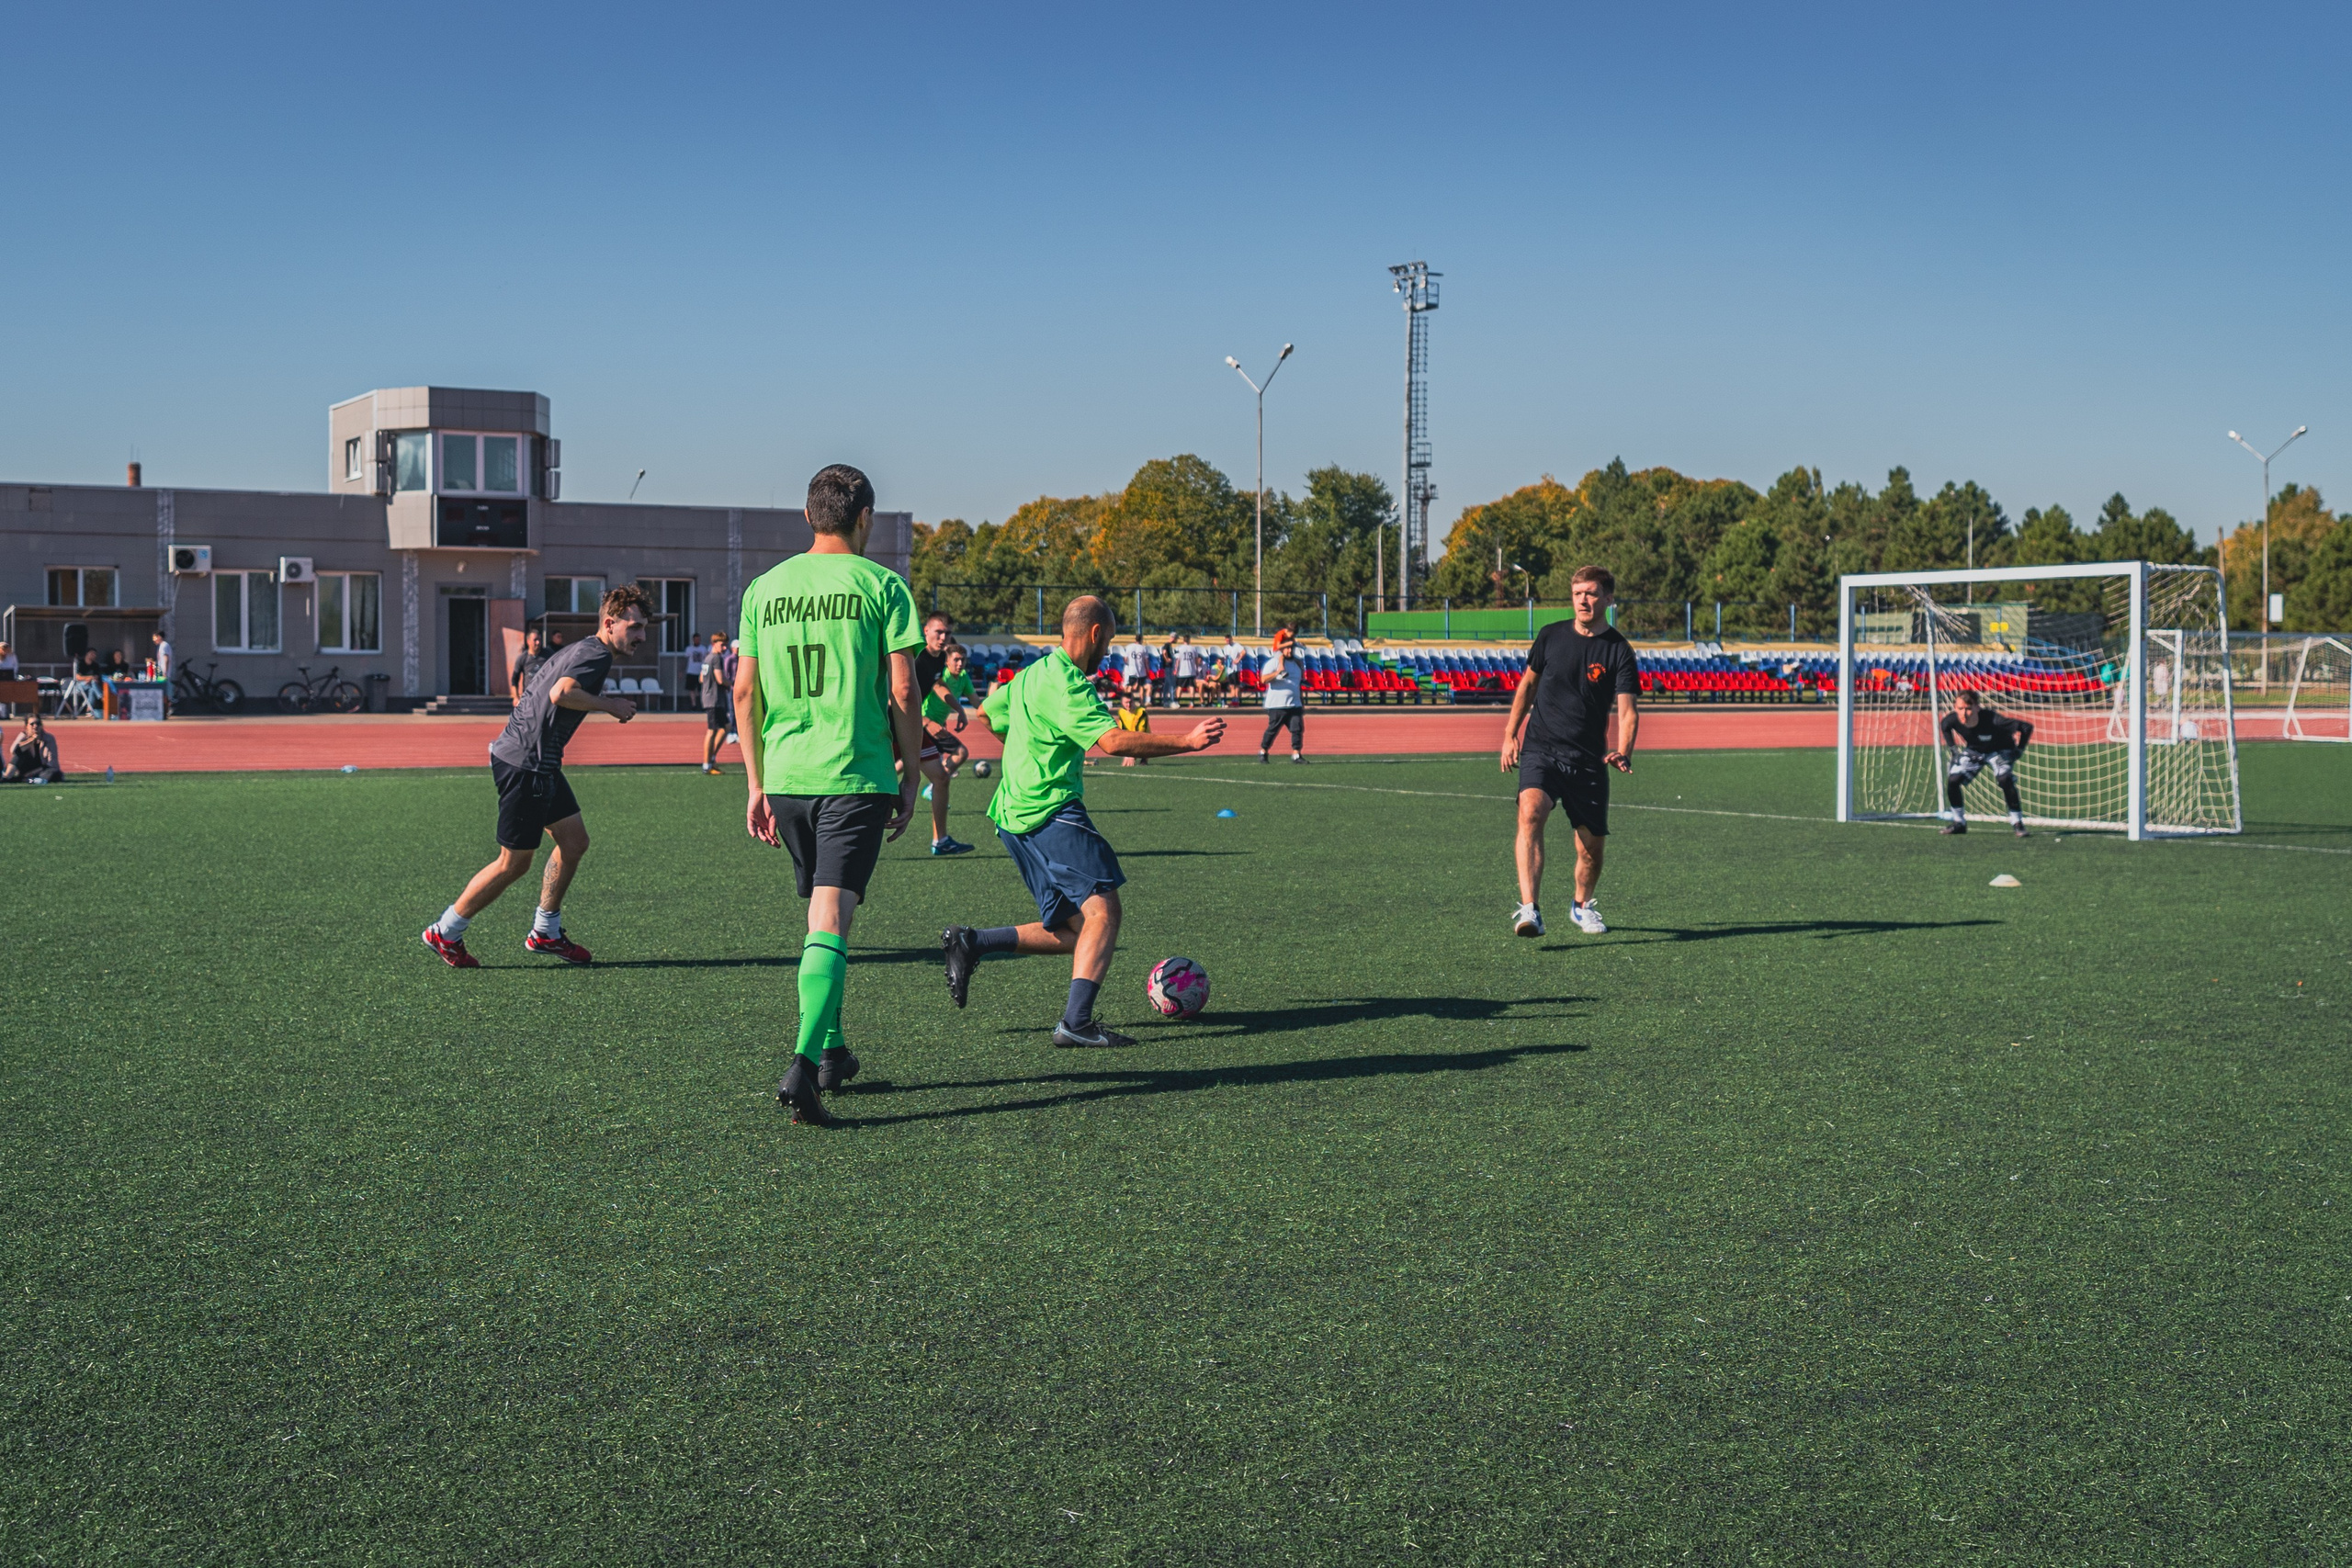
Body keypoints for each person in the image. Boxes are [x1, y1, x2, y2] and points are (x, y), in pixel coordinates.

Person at [940, 596, 1226, 1048]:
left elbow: (987, 713)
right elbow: (1112, 741)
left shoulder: (1032, 673)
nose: (1108, 651)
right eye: (1108, 640)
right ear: (1094, 634)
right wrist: (1188, 741)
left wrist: (1027, 746)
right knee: (1104, 911)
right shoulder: (1070, 685)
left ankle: (973, 942)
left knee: (1076, 931)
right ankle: (1076, 1022)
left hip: (1012, 816)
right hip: (1050, 810)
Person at [736, 464, 925, 1126]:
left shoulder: (765, 587)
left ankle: (833, 1051)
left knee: (824, 917)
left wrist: (756, 782)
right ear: (864, 517)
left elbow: (742, 692)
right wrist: (912, 769)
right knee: (831, 921)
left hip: (786, 779)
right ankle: (801, 1063)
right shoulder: (883, 585)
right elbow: (904, 690)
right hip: (852, 775)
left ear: (808, 516)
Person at [423, 584, 651, 970]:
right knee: (514, 863)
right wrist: (611, 705)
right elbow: (562, 693)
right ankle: (445, 931)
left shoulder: (583, 649)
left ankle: (546, 930)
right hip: (526, 764)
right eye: (635, 627)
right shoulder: (595, 655)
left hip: (538, 762)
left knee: (574, 841)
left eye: (645, 628)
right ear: (610, 623)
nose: (642, 636)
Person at [1500, 564, 1638, 939]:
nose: (1583, 600)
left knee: (1590, 848)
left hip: (1588, 759)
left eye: (1591, 593)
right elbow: (1527, 687)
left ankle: (1581, 906)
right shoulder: (1550, 636)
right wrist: (1511, 733)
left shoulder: (1619, 651)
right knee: (1530, 811)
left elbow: (1627, 711)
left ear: (1608, 599)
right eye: (1578, 593)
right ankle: (1530, 909)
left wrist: (1624, 750)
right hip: (1541, 749)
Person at [910, 614, 974, 856]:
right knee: (876, 781)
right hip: (893, 725)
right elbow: (897, 693)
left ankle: (941, 841)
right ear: (925, 631)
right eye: (938, 632)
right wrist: (925, 721)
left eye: (947, 633)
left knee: (941, 778)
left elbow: (937, 685)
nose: (943, 637)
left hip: (913, 725)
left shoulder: (938, 660)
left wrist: (959, 709)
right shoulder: (915, 657)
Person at [1938, 689, 2034, 837]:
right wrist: (1953, 750)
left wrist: (2019, 750)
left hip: (2001, 750)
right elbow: (1945, 726)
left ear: (1977, 707)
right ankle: (1959, 823)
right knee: (1953, 779)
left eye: (1968, 709)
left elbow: (2026, 727)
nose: (1964, 713)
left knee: (2005, 779)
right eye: (1960, 708)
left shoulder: (1994, 720)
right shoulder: (1953, 720)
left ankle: (2017, 823)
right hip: (1975, 751)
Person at [1257, 627, 1306, 762]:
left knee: (1297, 729)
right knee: (1272, 730)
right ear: (1282, 649)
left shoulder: (1296, 664)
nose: (1290, 651)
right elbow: (1263, 679)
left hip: (1294, 705)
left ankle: (1296, 754)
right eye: (1287, 648)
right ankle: (1263, 751)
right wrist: (1277, 672)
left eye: (1291, 648)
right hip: (1277, 705)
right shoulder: (1274, 662)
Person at [698, 631, 731, 773]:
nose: (724, 648)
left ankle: (711, 758)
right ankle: (707, 764)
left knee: (726, 727)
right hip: (714, 699)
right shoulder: (716, 658)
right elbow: (719, 679)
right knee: (712, 731)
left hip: (711, 698)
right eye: (722, 645)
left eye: (726, 645)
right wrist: (729, 683)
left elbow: (701, 678)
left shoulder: (707, 658)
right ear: (714, 644)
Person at [4, 715, 61, 783]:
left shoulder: (49, 738)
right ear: (26, 726)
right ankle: (7, 777)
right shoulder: (23, 736)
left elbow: (52, 763)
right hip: (25, 768)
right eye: (32, 724)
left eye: (38, 723)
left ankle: (25, 779)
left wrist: (33, 773)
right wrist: (31, 741)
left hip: (41, 769)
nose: (35, 726)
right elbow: (13, 751)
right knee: (18, 755)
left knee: (55, 775)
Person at [1114, 682, 1151, 765]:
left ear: (1133, 701)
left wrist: (1132, 753)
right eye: (1126, 703)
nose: (1129, 705)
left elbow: (1140, 733)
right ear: (1122, 703)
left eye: (1130, 702)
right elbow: (1123, 732)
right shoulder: (1121, 713)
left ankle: (1144, 758)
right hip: (1130, 739)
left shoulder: (1141, 712)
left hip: (1143, 740)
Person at [510, 629, 546, 709]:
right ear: (528, 641)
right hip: (529, 696)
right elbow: (514, 679)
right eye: (535, 640)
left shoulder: (548, 654)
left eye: (539, 640)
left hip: (544, 696)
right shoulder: (522, 658)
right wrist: (516, 697)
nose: (538, 643)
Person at [1170, 632, 1202, 704]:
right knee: (1191, 686)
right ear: (1189, 640)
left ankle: (1177, 701)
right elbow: (1196, 660)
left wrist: (1176, 669)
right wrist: (1196, 668)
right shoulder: (1193, 649)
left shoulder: (1179, 648)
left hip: (1182, 671)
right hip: (1191, 671)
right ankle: (1191, 702)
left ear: (1183, 640)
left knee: (1179, 686)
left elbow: (1178, 660)